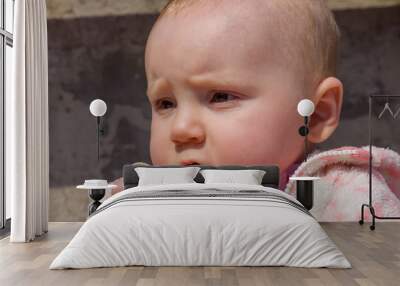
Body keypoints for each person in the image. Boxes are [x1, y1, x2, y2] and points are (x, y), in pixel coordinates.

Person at [111, 0, 400, 221]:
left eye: (220, 96)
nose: (181, 130)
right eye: (166, 103)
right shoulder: (140, 199)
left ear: (317, 114)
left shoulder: (346, 199)